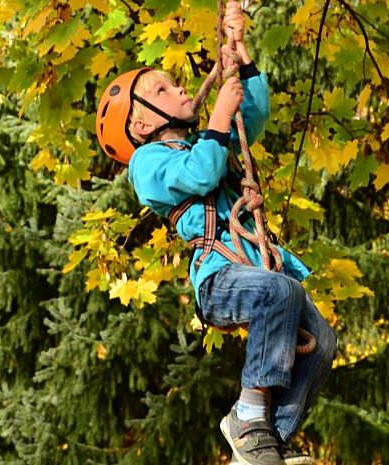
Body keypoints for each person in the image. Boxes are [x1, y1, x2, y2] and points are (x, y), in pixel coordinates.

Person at [95, 2, 337, 464]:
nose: (180, 87)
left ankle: (269, 443)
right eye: (163, 90)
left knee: (323, 343)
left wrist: (242, 59)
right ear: (142, 123)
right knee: (277, 291)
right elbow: (201, 174)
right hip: (218, 278)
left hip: (252, 268)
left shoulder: (208, 138)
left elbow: (254, 118)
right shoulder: (148, 164)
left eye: (173, 81)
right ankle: (247, 415)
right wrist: (218, 116)